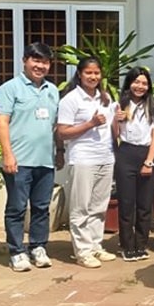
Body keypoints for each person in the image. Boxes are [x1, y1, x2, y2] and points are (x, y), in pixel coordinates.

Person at [0, 42, 62, 272]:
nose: (40, 66)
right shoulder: (9, 89)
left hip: (45, 160)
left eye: (44, 62)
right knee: (17, 208)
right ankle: (16, 251)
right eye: (35, 60)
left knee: (42, 207)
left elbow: (54, 126)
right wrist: (8, 155)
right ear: (25, 60)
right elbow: (2, 123)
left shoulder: (52, 91)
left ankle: (38, 247)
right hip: (19, 161)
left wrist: (59, 151)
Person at [56, 57, 118, 268]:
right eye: (88, 73)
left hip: (106, 157)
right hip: (83, 159)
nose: (93, 77)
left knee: (99, 206)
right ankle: (82, 251)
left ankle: (95, 246)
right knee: (81, 206)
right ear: (80, 74)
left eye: (96, 73)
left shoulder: (105, 98)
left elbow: (111, 128)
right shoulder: (70, 99)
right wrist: (90, 123)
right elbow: (62, 132)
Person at [113, 67, 154, 261]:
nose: (140, 86)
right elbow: (115, 135)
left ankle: (141, 244)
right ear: (129, 83)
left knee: (144, 204)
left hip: (146, 154)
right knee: (126, 203)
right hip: (125, 153)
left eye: (144, 83)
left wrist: (149, 162)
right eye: (136, 82)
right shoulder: (120, 105)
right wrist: (116, 121)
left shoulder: (153, 107)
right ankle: (126, 245)